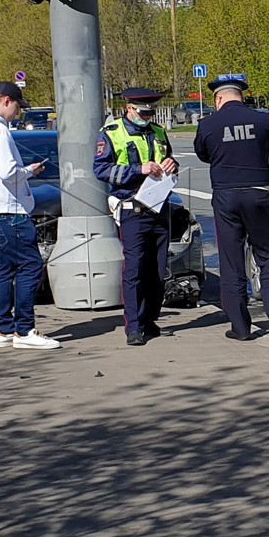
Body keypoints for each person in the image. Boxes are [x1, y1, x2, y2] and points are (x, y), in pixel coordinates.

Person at [193, 73, 269, 341]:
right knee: (268, 253)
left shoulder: (208, 124)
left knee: (231, 261)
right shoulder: (263, 120)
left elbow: (203, 154)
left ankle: (241, 327)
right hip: (259, 194)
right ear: (242, 96)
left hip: (226, 197)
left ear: (218, 98)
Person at [0, 81, 60, 350]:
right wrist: (29, 171)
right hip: (8, 211)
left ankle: (3, 329)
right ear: (6, 101)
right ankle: (25, 330)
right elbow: (7, 172)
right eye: (17, 106)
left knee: (3, 270)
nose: (17, 113)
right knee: (30, 266)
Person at [94, 86, 178, 346]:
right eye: (143, 112)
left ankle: (150, 319)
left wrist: (171, 164)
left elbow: (171, 160)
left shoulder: (158, 132)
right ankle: (134, 326)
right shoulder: (112, 133)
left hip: (159, 207)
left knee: (157, 269)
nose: (148, 116)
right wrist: (138, 169)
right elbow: (101, 169)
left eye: (151, 112)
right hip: (131, 208)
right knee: (134, 269)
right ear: (129, 109)